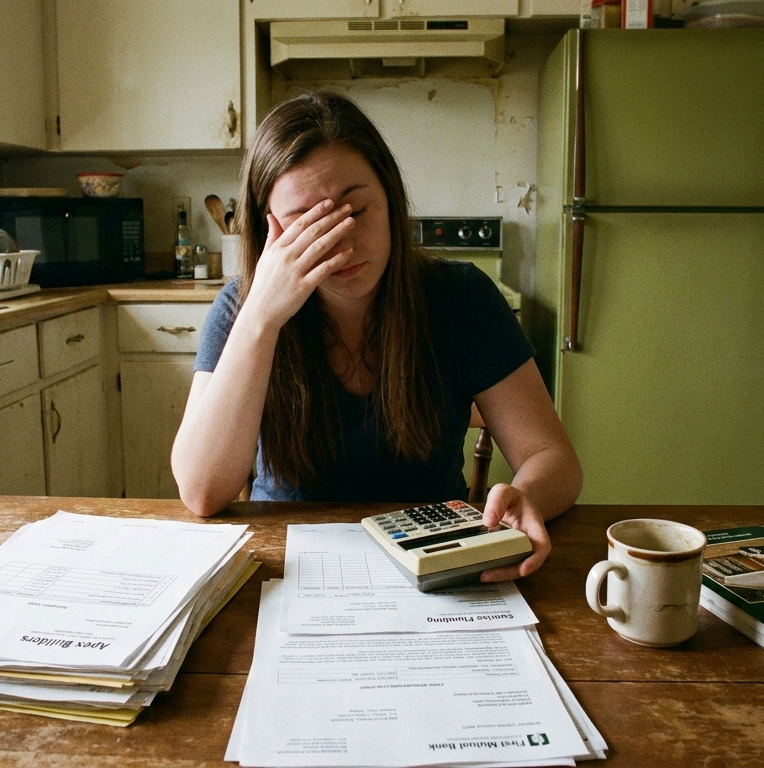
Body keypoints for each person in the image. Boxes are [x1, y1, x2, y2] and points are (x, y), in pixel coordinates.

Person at [171, 91, 581, 581]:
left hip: (437, 564)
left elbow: (552, 458)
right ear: (270, 233)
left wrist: (527, 497)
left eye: (356, 212)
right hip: (287, 571)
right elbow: (201, 492)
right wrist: (261, 318)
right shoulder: (240, 310)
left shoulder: (463, 297)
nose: (339, 244)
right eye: (307, 224)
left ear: (390, 200)